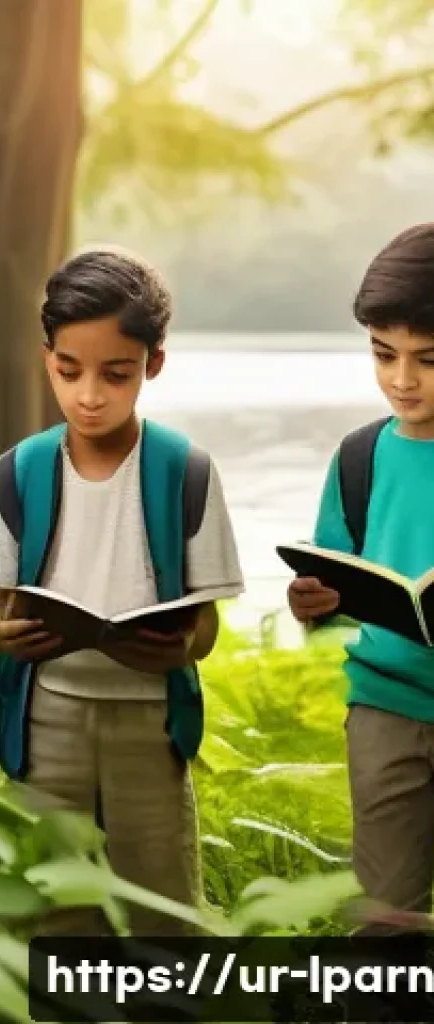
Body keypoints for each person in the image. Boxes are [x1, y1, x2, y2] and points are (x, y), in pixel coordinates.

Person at [0, 247, 243, 934]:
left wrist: (181, 646)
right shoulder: (15, 474)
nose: (89, 394)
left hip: (148, 722)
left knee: (160, 893)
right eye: (69, 371)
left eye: (115, 374)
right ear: (47, 359)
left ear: (153, 363)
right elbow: (1, 612)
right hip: (47, 717)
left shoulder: (186, 473)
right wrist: (5, 634)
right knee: (52, 896)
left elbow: (204, 623)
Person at [288, 223, 434, 925]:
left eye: (428, 359)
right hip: (385, 708)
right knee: (385, 913)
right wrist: (314, 603)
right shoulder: (360, 457)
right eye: (384, 355)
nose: (401, 379)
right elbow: (339, 586)